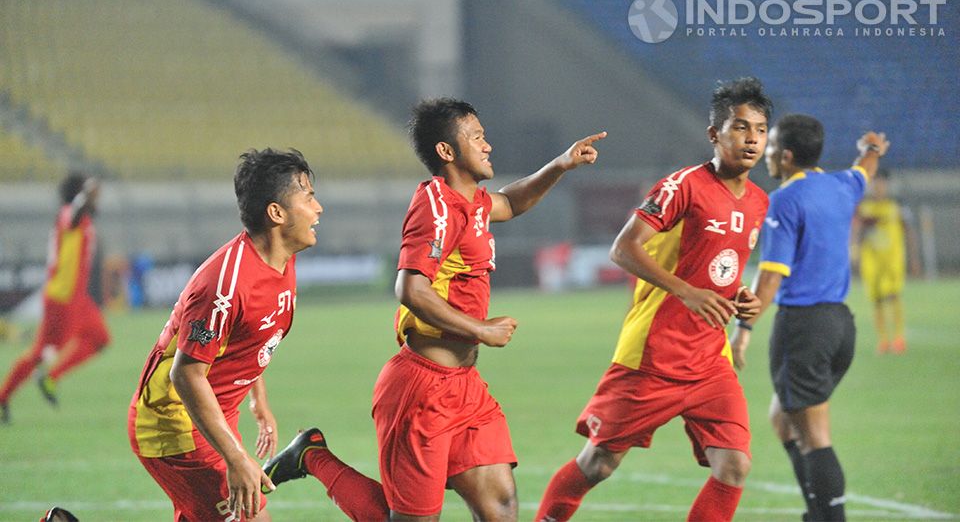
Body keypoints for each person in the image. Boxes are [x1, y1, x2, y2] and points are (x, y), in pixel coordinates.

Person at [261, 97, 605, 521]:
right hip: (421, 390)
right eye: (476, 136)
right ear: (447, 151)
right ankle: (312, 457)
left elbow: (511, 203)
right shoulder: (436, 206)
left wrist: (561, 164)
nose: (488, 145)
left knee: (500, 507)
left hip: (463, 387)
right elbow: (410, 288)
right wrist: (481, 329)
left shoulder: (473, 203)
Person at [535, 77, 770, 522]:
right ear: (714, 134)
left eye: (759, 129)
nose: (752, 139)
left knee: (734, 464)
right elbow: (623, 248)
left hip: (709, 360)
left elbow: (717, 267)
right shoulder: (683, 185)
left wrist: (740, 298)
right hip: (654, 356)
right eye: (740, 127)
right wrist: (686, 291)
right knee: (598, 464)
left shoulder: (758, 201)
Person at [127, 148, 323, 521]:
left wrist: (257, 400)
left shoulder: (281, 259)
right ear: (276, 213)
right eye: (309, 197)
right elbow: (185, 374)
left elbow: (250, 339)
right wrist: (236, 457)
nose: (319, 209)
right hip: (175, 424)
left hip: (214, 412)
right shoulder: (224, 285)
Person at [730, 115, 889, 521]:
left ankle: (829, 517)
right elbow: (865, 171)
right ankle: (816, 512)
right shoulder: (841, 184)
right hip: (840, 326)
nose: (762, 152)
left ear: (785, 156)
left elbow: (770, 275)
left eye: (769, 146)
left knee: (815, 436)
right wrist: (870, 150)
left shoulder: (784, 199)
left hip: (803, 328)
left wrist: (743, 329)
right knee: (783, 420)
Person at [0, 172, 110, 424]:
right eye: (90, 194)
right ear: (80, 194)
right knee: (41, 354)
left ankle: (51, 377)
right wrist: (85, 196)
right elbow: (72, 216)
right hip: (62, 299)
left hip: (77, 298)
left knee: (100, 338)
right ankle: (2, 397)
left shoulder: (80, 218)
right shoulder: (69, 213)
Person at [852, 169, 919, 354]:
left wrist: (914, 257)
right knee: (877, 299)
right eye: (875, 182)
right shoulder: (863, 206)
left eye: (881, 182)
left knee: (893, 294)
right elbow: (856, 230)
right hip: (871, 258)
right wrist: (855, 251)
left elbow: (909, 231)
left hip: (893, 258)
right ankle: (883, 340)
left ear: (887, 184)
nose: (878, 186)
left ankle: (898, 338)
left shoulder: (897, 205)